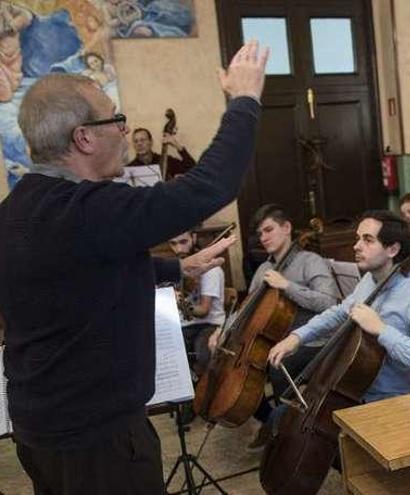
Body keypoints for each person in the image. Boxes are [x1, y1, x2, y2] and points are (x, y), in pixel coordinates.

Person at [0, 41, 268, 493]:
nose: (125, 130)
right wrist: (244, 100)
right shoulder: (88, 209)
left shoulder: (19, 208)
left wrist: (176, 270)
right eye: (115, 119)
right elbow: (209, 187)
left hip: (42, 429)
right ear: (84, 137)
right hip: (98, 438)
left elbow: (81, 278)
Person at [267, 210, 410, 403]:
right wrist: (297, 337)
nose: (356, 246)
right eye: (358, 238)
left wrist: (382, 330)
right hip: (357, 390)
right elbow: (339, 313)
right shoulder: (370, 279)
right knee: (280, 417)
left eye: (368, 240)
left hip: (397, 401)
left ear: (392, 250)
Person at [220, 203, 339, 450]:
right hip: (275, 340)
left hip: (313, 341)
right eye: (260, 233)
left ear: (286, 228)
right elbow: (246, 308)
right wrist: (222, 331)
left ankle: (289, 435)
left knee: (277, 366)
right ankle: (274, 421)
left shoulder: (310, 260)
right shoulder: (264, 268)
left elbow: (328, 301)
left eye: (269, 230)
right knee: (239, 374)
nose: (263, 238)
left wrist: (287, 285)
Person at [168, 228, 226, 378]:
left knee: (202, 352)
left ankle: (204, 388)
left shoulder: (211, 269)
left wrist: (179, 302)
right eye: (173, 244)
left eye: (183, 242)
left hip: (210, 324)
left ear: (193, 238)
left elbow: (203, 311)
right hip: (185, 326)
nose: (179, 249)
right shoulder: (177, 269)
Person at [126, 127, 196, 180]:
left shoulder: (166, 160)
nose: (139, 144)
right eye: (136, 141)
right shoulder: (130, 169)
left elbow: (193, 168)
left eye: (143, 140)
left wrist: (177, 145)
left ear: (151, 142)